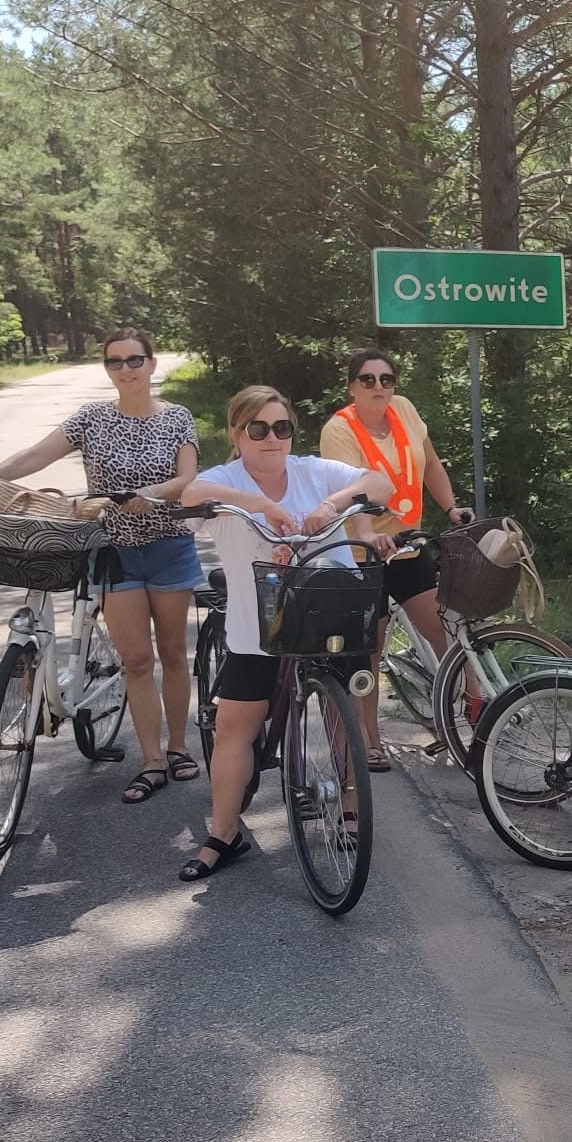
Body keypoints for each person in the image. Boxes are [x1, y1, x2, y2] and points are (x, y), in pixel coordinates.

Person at [0, 327, 203, 806]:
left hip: (169, 544)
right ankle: (151, 762)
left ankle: (177, 747)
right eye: (115, 362)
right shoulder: (91, 419)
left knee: (171, 653)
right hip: (110, 549)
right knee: (137, 660)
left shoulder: (178, 418)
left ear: (152, 364)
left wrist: (148, 497)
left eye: (134, 360)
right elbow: (39, 454)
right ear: (106, 369)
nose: (126, 369)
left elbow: (188, 477)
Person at [179, 386, 393, 882]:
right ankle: (223, 834)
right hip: (260, 628)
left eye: (282, 428)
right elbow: (191, 495)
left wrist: (331, 506)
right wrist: (254, 502)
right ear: (237, 434)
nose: (272, 438)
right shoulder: (223, 479)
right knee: (235, 727)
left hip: (328, 614)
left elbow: (378, 483)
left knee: (346, 718)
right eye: (258, 429)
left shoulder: (314, 472)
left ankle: (350, 808)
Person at [317, 348, 474, 769]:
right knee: (371, 648)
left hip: (408, 544)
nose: (378, 387)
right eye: (367, 380)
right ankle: (370, 740)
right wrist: (384, 525)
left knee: (444, 627)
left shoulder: (404, 409)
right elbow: (357, 492)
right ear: (352, 387)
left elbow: (432, 465)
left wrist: (451, 508)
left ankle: (478, 711)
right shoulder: (339, 429)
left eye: (386, 379)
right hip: (361, 550)